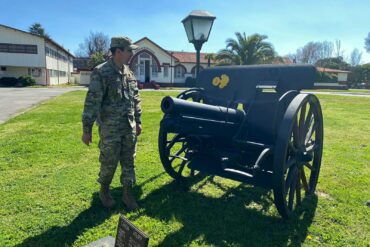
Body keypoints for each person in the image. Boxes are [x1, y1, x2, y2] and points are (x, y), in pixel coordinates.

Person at [81, 36, 142, 210]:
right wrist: (87, 129)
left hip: (128, 127)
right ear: (118, 51)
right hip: (110, 129)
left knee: (129, 161)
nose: (131, 53)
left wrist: (138, 120)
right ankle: (104, 191)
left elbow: (135, 99)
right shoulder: (101, 72)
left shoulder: (129, 73)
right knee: (109, 161)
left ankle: (127, 194)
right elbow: (92, 102)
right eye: (129, 50)